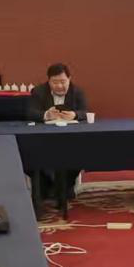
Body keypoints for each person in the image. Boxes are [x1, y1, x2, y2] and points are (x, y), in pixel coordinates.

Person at [27, 64, 89, 202]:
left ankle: (64, 187)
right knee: (31, 155)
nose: (60, 86)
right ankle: (46, 187)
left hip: (70, 138)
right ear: (48, 81)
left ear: (69, 79)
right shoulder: (38, 91)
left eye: (63, 82)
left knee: (80, 153)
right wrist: (46, 115)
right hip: (43, 138)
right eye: (55, 82)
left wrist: (74, 115)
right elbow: (29, 112)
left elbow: (85, 112)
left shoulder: (77, 92)